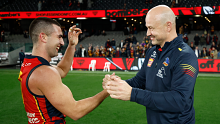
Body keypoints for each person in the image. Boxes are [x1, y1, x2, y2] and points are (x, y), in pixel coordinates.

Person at [102, 5, 198, 124]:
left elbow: (179, 100)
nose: (148, 33)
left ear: (168, 26)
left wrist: (133, 94)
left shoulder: (185, 56)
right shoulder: (152, 52)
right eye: (147, 28)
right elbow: (140, 81)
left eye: (151, 28)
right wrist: (117, 84)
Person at [18, 17, 109, 123]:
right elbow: (75, 111)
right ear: (43, 37)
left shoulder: (29, 64)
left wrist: (71, 45)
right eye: (59, 37)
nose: (62, 42)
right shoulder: (44, 73)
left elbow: (61, 70)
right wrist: (108, 91)